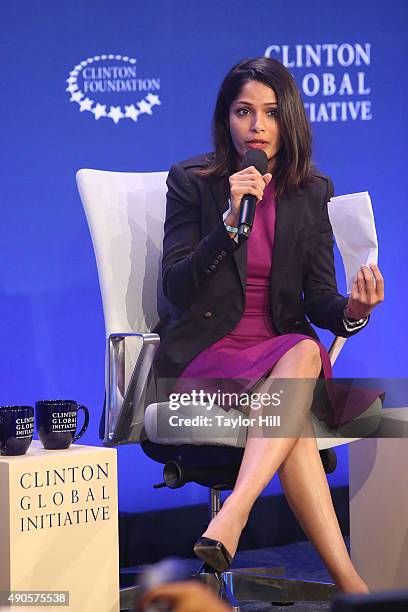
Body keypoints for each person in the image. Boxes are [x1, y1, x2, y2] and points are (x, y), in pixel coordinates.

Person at [152, 58, 384, 593]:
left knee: (299, 360)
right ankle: (351, 587)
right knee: (298, 387)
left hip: (278, 354)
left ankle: (235, 516)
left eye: (271, 113)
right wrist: (231, 223)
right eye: (244, 111)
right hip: (208, 354)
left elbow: (320, 297)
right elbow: (178, 287)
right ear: (226, 120)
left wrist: (354, 311)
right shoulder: (194, 184)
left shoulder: (311, 190)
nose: (257, 125)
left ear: (289, 121)